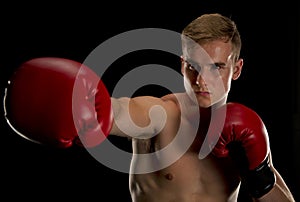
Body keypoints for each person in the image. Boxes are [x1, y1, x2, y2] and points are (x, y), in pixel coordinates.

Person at [3, 13, 295, 202]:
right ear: (182, 65)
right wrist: (85, 108)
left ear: (237, 69)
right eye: (194, 66)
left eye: (217, 67)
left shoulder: (245, 133)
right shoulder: (162, 115)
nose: (203, 79)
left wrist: (260, 173)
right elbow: (120, 112)